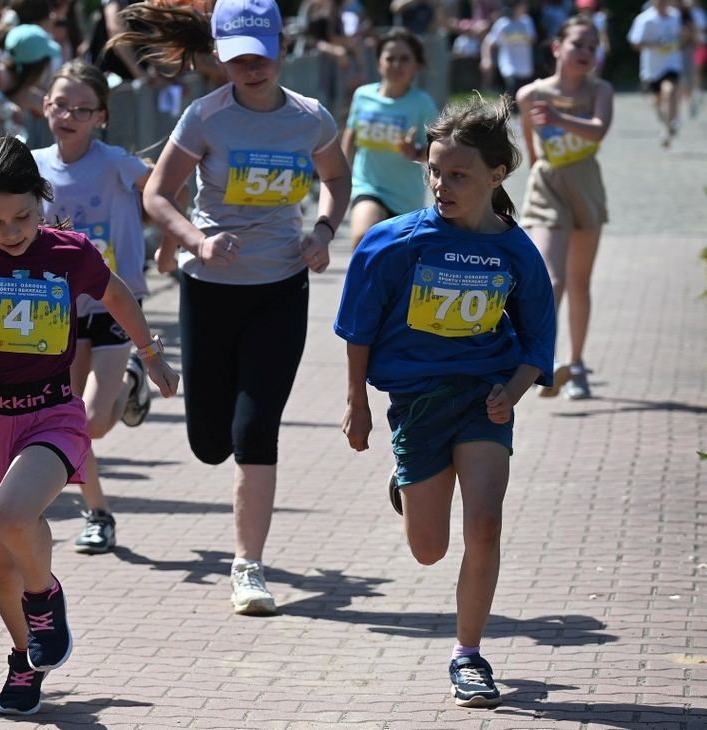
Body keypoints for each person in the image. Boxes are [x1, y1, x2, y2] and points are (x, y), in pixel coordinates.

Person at [0, 133, 178, 714]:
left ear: (42, 200)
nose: (10, 233)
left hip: (50, 413)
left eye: (23, 217)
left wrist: (152, 354)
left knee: (15, 515)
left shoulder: (69, 252)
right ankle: (24, 657)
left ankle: (45, 596)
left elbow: (118, 296)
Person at [121, 0, 350, 616]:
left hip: (279, 286)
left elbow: (336, 179)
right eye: (238, 57)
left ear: (280, 49)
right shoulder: (205, 117)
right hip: (210, 288)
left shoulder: (310, 118)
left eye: (261, 54)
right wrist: (195, 241)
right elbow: (157, 192)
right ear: (221, 56)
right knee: (208, 442)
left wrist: (323, 233)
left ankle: (248, 566)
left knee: (255, 429)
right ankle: (141, 381)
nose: (251, 67)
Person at [335, 93, 556, 709]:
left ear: (496, 173)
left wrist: (510, 393)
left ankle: (469, 655)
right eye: (434, 170)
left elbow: (538, 338)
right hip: (416, 403)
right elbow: (358, 325)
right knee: (428, 549)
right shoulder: (394, 242)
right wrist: (356, 401)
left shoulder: (515, 252)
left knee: (484, 523)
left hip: (482, 398)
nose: (441, 184)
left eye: (457, 173)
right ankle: (408, 481)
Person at [31, 59, 175, 554]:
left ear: (101, 117)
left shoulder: (116, 162)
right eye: (59, 104)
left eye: (82, 108)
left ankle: (132, 379)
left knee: (92, 420)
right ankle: (98, 512)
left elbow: (161, 189)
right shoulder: (33, 165)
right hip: (60, 306)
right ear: (44, 106)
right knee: (69, 417)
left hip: (115, 297)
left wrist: (173, 238)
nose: (68, 115)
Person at [516, 16, 612, 400]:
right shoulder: (530, 95)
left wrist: (559, 119)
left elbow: (598, 129)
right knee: (550, 278)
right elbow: (529, 140)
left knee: (579, 281)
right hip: (548, 187)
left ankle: (576, 364)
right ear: (557, 48)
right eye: (578, 44)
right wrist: (540, 162)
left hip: (586, 185)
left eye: (592, 46)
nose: (586, 52)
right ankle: (544, 360)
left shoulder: (600, 89)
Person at [342, 27, 437, 249]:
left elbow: (438, 150)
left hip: (406, 196)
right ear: (378, 63)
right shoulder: (362, 95)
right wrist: (342, 173)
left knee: (395, 257)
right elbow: (351, 133)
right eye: (390, 58)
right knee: (363, 239)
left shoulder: (422, 103)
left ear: (417, 65)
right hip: (368, 185)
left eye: (404, 59)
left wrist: (414, 152)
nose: (396, 65)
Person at [629, 0, 685, 146]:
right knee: (658, 102)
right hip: (652, 68)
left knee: (670, 90)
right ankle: (666, 122)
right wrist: (656, 45)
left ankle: (668, 127)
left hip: (672, 63)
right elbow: (635, 43)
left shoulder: (676, 15)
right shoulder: (644, 19)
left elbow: (680, 36)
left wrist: (678, 41)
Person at [480, 0, 536, 99]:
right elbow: (488, 42)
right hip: (509, 67)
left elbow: (533, 39)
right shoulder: (502, 24)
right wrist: (486, 59)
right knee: (512, 99)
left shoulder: (527, 21)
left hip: (525, 68)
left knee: (524, 99)